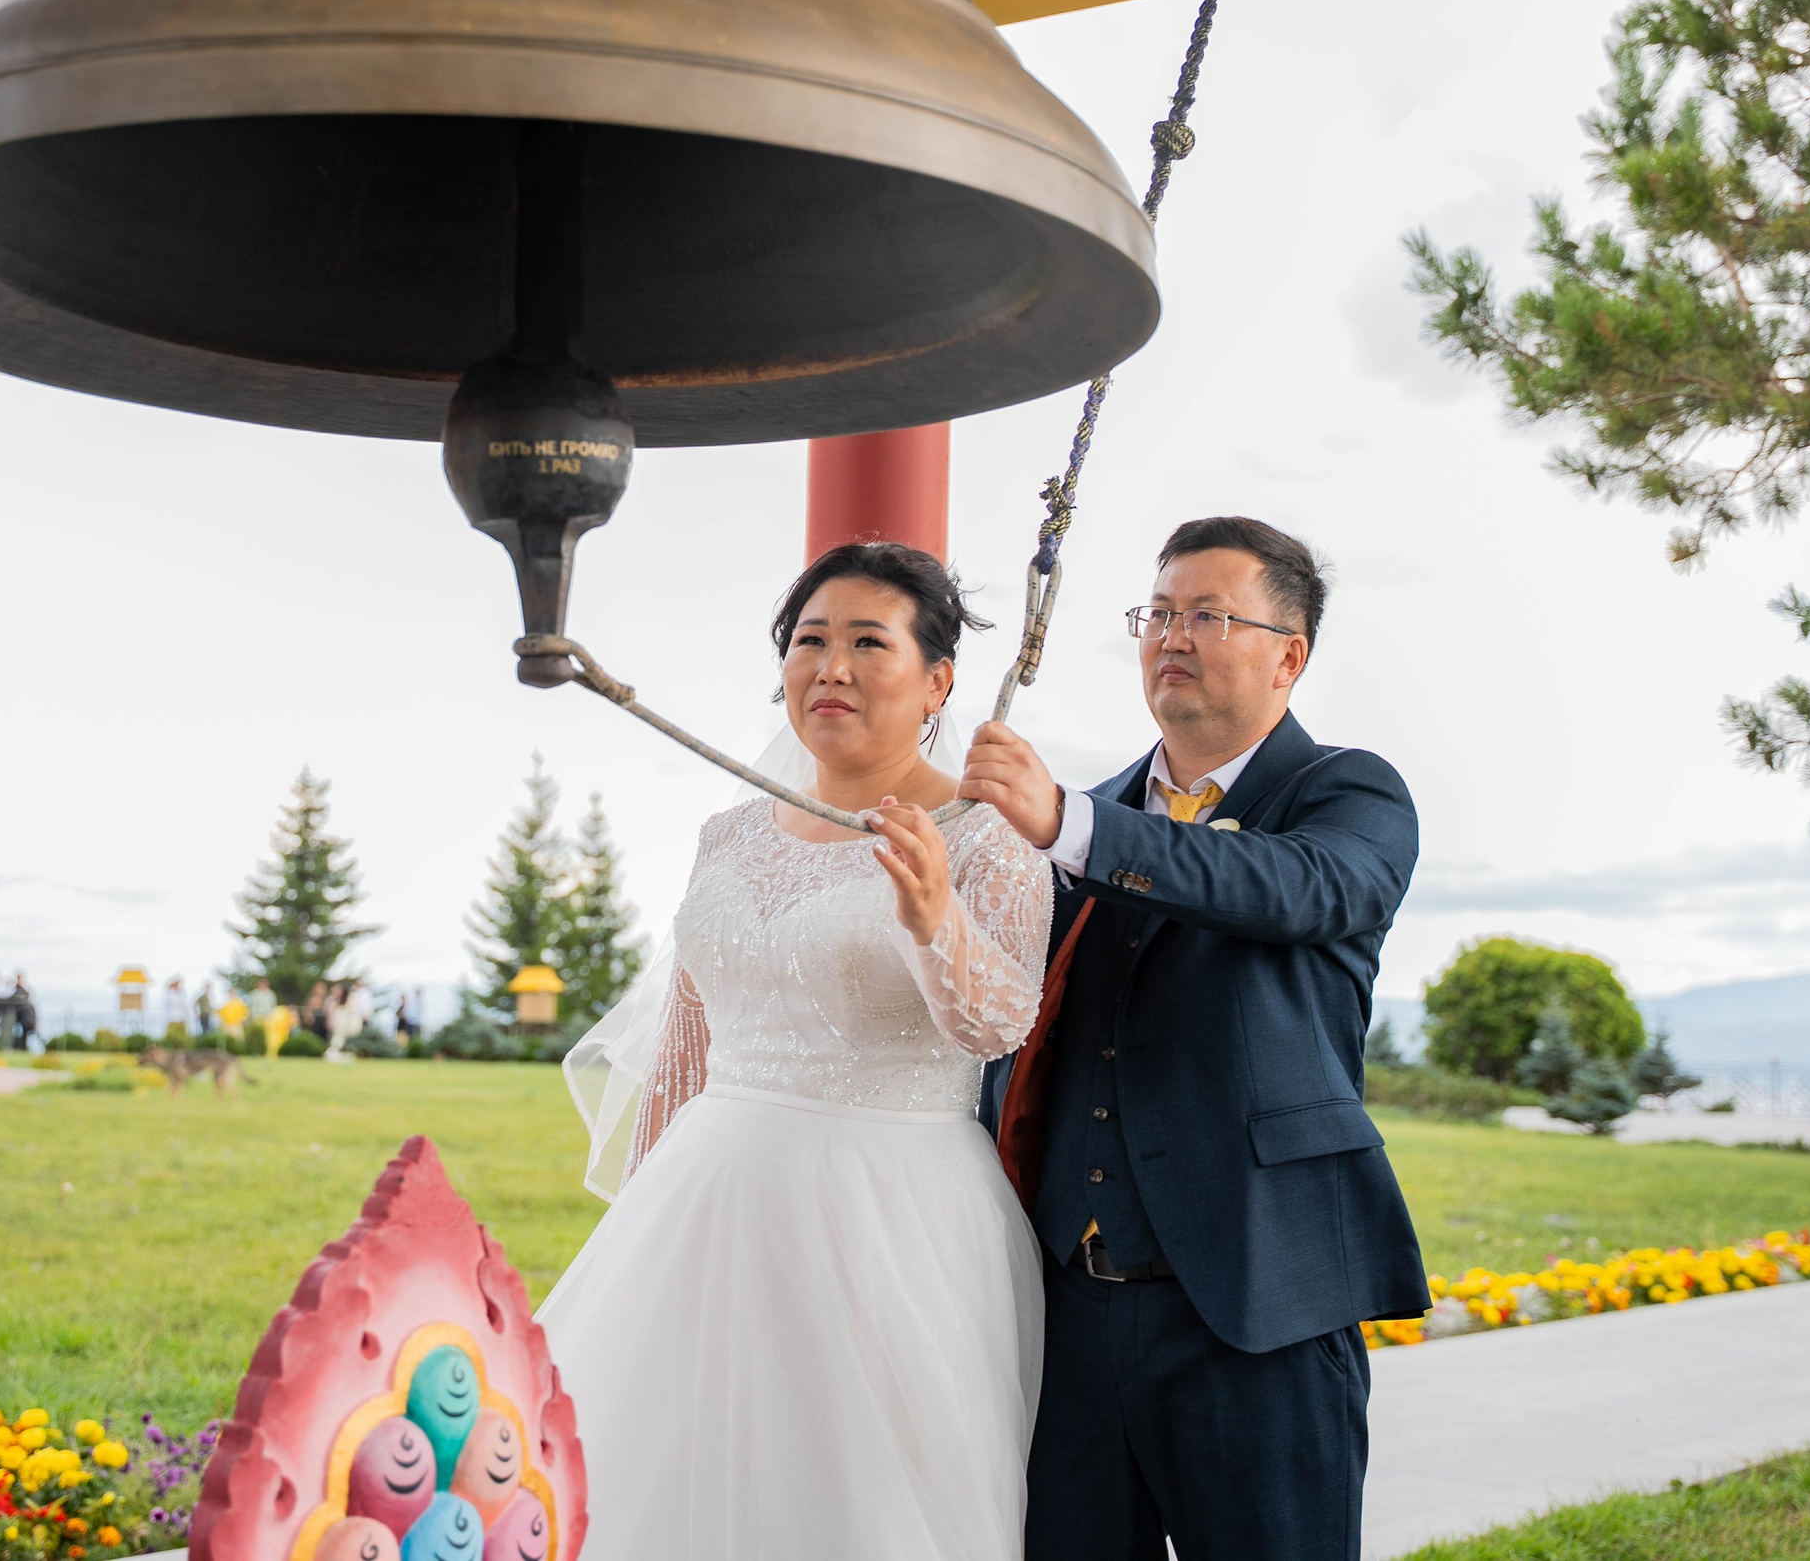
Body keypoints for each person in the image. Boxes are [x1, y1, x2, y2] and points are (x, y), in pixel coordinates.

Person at [542, 543, 1051, 1561]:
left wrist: (935, 917)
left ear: (937, 680)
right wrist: (645, 1212)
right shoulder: (725, 837)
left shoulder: (988, 836)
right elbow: (687, 1051)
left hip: (890, 1218)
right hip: (702, 1205)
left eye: (870, 641)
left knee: (852, 1503)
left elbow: (998, 1023)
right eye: (809, 641)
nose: (833, 667)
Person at [958, 516, 1424, 1561]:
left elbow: (1297, 889)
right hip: (1069, 1313)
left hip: (1257, 1312)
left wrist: (1073, 829)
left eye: (1207, 614)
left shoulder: (1346, 793)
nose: (1171, 634)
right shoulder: (1080, 814)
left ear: (1287, 655)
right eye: (1157, 613)